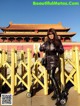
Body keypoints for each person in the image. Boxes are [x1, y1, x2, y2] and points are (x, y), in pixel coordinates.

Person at [39, 28, 67, 106]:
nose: (51, 35)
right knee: (51, 77)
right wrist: (41, 47)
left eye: (52, 34)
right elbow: (41, 48)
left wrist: (57, 48)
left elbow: (62, 50)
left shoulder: (58, 41)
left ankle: (59, 96)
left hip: (54, 59)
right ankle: (55, 93)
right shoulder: (46, 42)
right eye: (49, 34)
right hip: (47, 60)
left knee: (52, 76)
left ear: (54, 34)